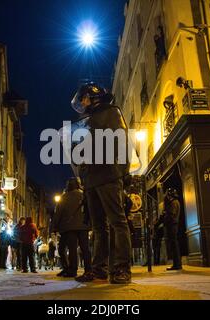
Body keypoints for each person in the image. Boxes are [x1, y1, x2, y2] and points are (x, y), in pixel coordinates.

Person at [71, 82, 132, 284]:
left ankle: (122, 268)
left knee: (117, 222)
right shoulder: (88, 120)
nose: (82, 102)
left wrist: (122, 172)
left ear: (92, 96)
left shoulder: (111, 112)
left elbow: (122, 141)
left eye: (83, 98)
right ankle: (99, 270)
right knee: (98, 227)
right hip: (91, 178)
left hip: (108, 174)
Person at [51, 177, 92, 280]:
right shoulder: (83, 195)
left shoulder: (64, 197)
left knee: (72, 249)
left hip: (69, 227)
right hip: (83, 226)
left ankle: (73, 270)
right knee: (85, 249)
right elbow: (90, 209)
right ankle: (88, 269)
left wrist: (54, 227)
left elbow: (58, 213)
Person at [163, 188, 182, 271]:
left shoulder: (173, 203)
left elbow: (171, 214)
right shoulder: (175, 202)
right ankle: (176, 264)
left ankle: (177, 264)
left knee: (174, 245)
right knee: (174, 245)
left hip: (172, 225)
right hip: (173, 225)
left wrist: (165, 215)